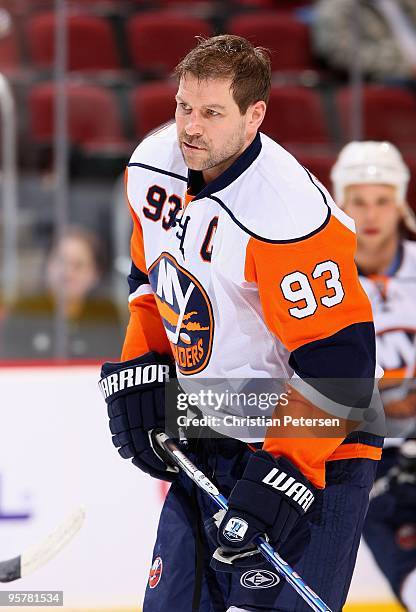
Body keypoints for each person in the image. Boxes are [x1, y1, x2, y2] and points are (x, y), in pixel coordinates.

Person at [100, 35, 383, 612]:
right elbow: (151, 282)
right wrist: (143, 367)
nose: (190, 128)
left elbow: (339, 364)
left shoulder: (287, 213)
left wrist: (282, 473)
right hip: (210, 431)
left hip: (317, 452)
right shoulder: (154, 166)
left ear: (255, 115)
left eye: (211, 113)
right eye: (183, 106)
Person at [331, 141, 416, 611]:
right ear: (340, 203)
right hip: (366, 464)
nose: (371, 215)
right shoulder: (322, 281)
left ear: (399, 201)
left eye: (382, 200)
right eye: (359, 201)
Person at [1, 225, 122, 359]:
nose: (67, 273)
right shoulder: (25, 309)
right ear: (47, 265)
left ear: (96, 274)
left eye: (78, 265)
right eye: (60, 261)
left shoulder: (106, 314)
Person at [313, 0, 416, 82]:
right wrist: (406, 67)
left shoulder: (403, 3)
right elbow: (337, 52)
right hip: (385, 77)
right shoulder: (337, 5)